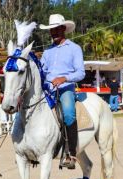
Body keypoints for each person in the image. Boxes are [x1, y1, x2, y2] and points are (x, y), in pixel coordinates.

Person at [40, 14, 85, 169]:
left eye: (57, 29)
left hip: (65, 89)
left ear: (63, 29)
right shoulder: (47, 52)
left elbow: (81, 73)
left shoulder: (74, 48)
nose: (54, 32)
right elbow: (42, 72)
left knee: (68, 112)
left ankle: (71, 154)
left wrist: (64, 79)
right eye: (51, 30)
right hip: (48, 89)